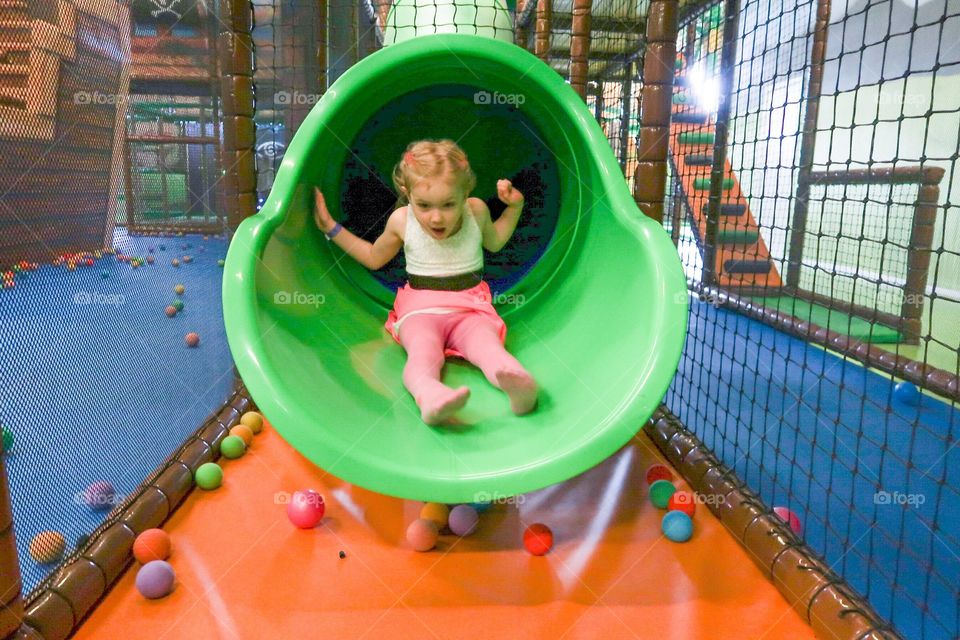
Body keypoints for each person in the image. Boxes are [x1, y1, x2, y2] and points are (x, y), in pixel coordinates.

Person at [313, 139, 538, 425]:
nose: (436, 216)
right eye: (424, 205)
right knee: (423, 353)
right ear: (407, 194)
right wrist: (330, 228)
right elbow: (373, 257)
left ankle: (518, 385)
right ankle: (430, 395)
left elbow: (495, 242)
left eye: (448, 204)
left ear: (465, 192)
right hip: (420, 311)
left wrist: (514, 207)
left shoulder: (477, 211)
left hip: (470, 308)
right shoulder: (401, 220)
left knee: (489, 348)